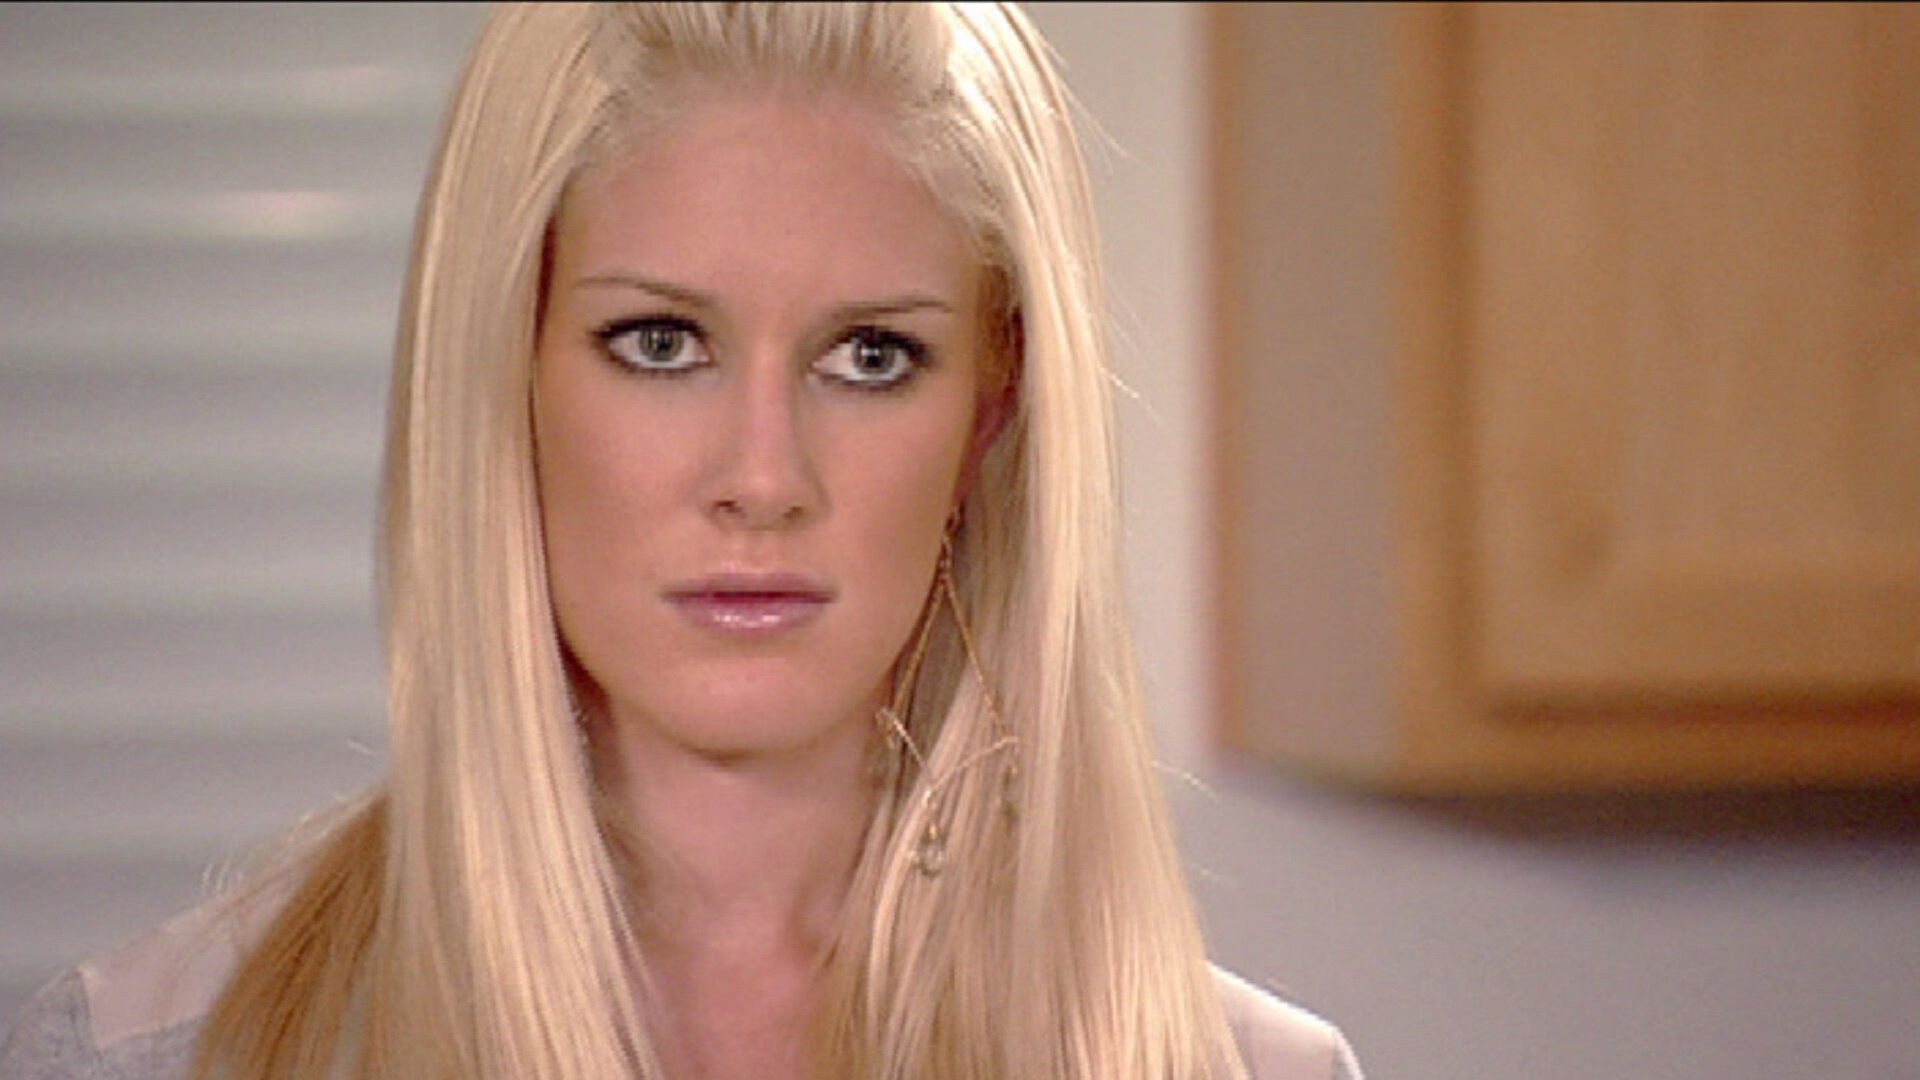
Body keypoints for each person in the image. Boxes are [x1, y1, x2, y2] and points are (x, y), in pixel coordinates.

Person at [0, 4, 1361, 1079]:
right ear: (505, 372)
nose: (762, 480)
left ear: (991, 408)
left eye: (871, 356)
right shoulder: (146, 1054)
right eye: (660, 343)